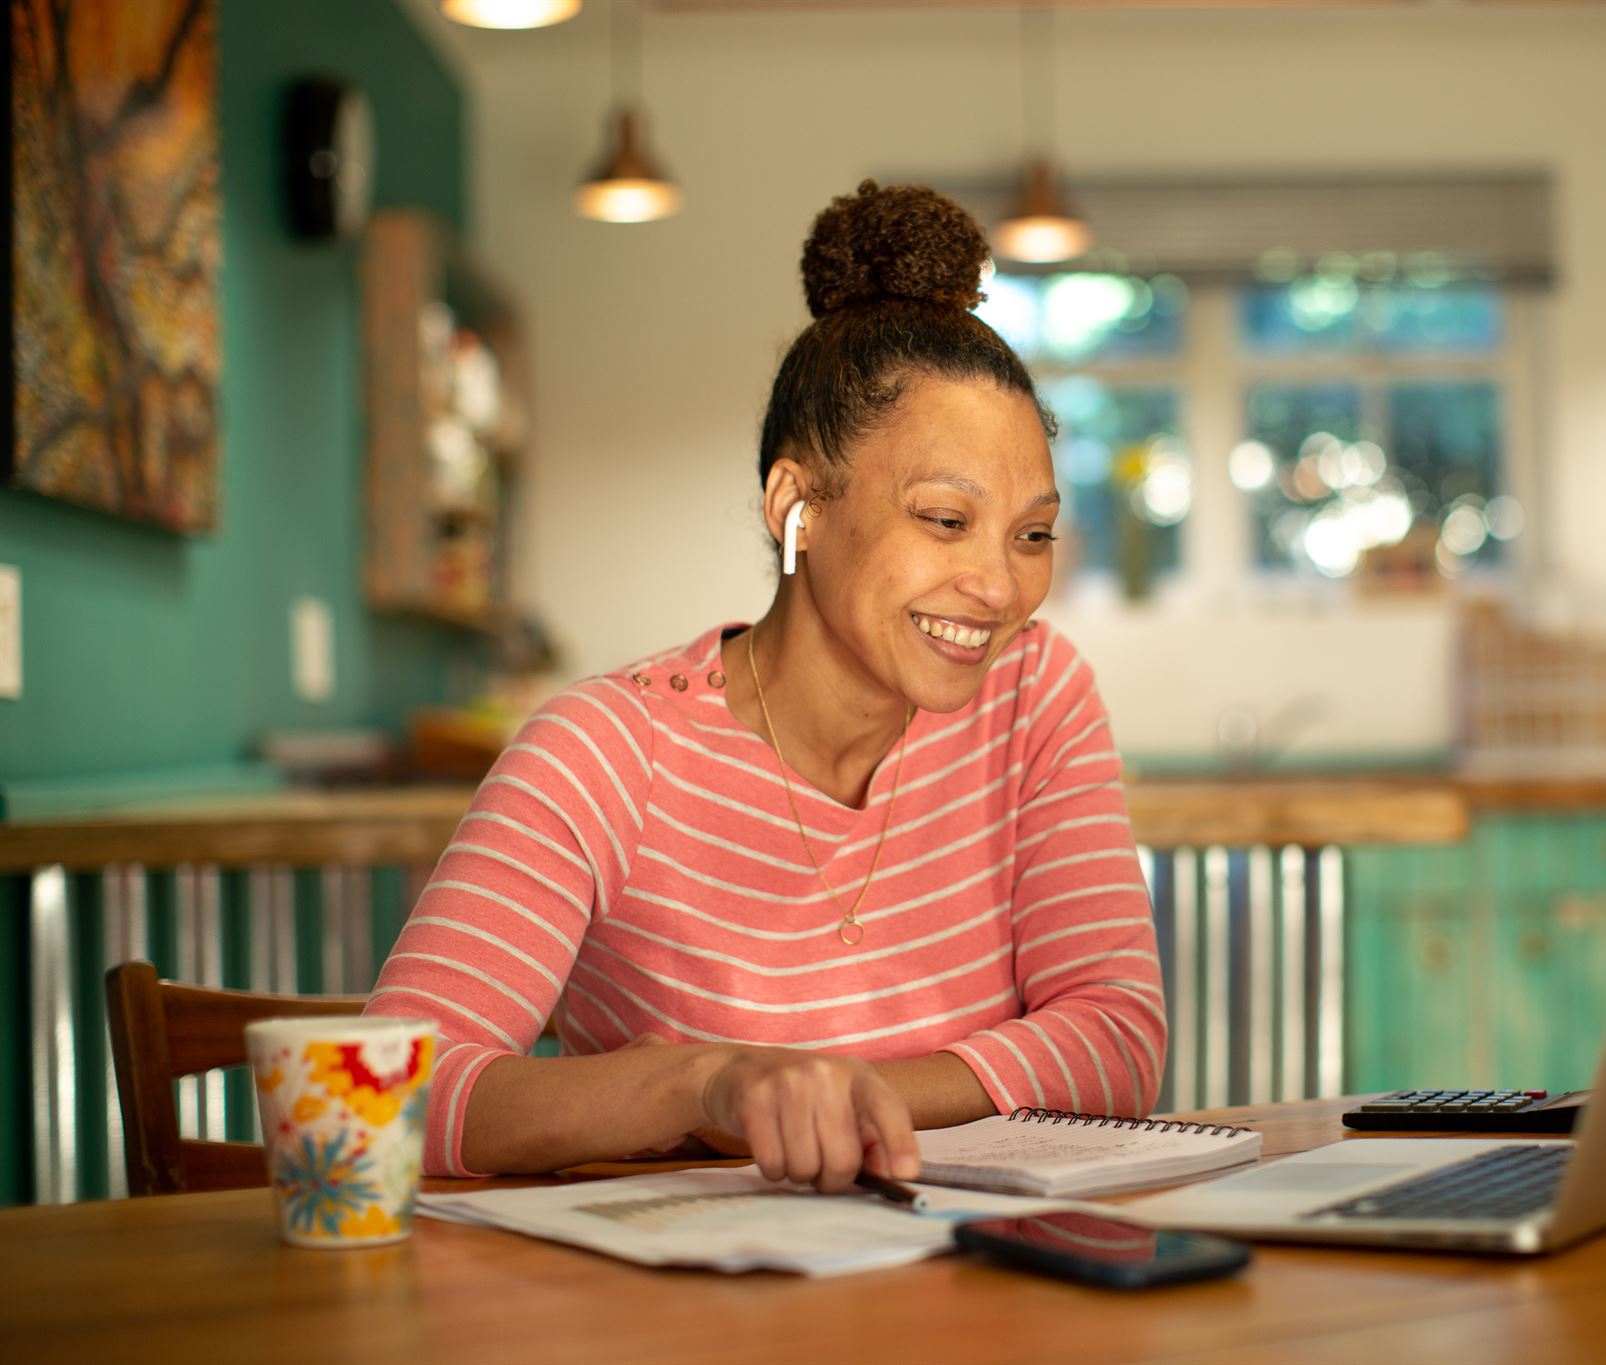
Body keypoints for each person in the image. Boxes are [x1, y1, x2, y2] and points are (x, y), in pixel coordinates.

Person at [365, 181, 1165, 1195]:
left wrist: (843, 1095)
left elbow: (1116, 1034)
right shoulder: (607, 750)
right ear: (797, 507)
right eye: (944, 519)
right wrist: (703, 1084)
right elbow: (391, 1094)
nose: (1002, 586)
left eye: (1033, 533)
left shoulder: (1033, 693)